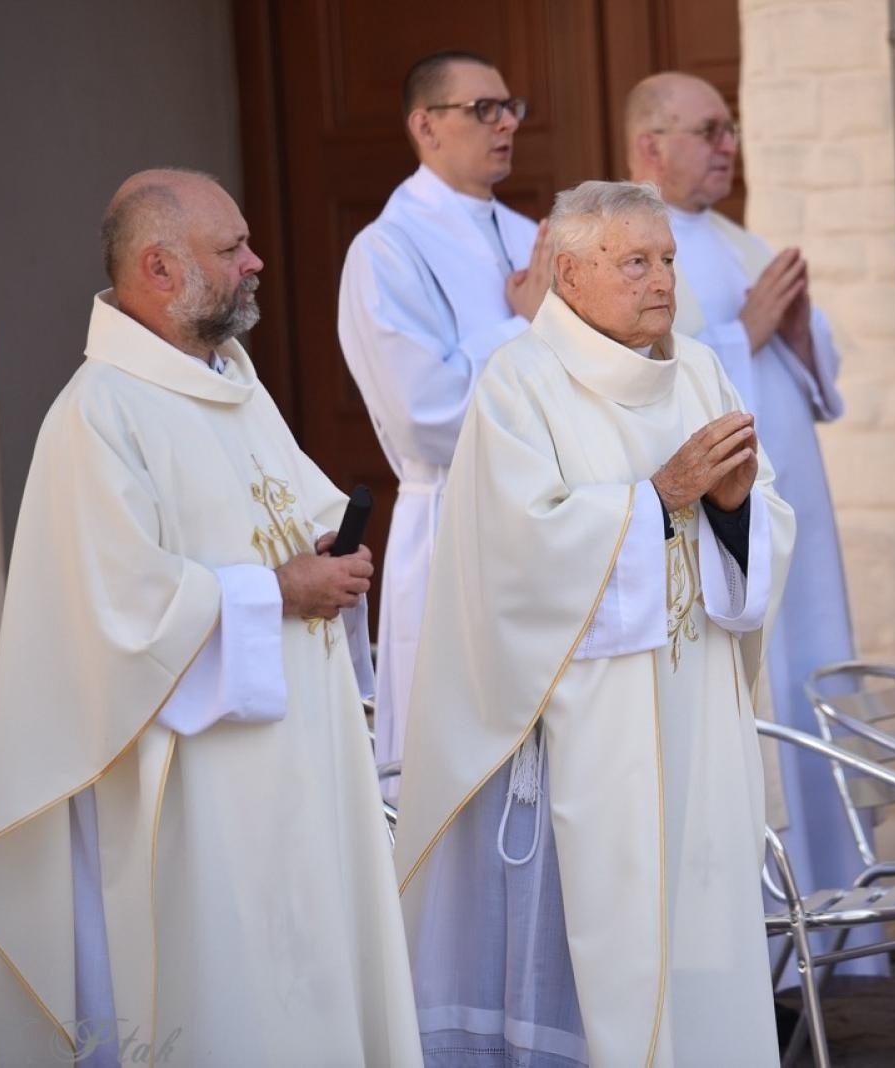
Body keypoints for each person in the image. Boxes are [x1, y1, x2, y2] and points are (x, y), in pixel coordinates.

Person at [0, 169, 422, 1067]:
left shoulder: (233, 386)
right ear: (160, 269)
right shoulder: (98, 417)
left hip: (301, 762)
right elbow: (120, 616)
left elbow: (280, 512)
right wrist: (280, 592)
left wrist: (329, 549)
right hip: (196, 793)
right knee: (231, 998)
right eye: (231, 249)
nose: (257, 262)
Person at [393, 180, 794, 1067]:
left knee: (705, 939)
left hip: (697, 709)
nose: (662, 282)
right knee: (609, 953)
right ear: (568, 274)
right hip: (592, 724)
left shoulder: (697, 368)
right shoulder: (519, 384)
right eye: (635, 262)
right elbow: (518, 554)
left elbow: (765, 513)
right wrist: (661, 497)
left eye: (668, 260)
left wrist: (732, 510)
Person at [625, 72, 864, 941]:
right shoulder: (630, 245)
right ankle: (759, 937)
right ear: (650, 145)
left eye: (730, 128)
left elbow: (817, 380)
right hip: (714, 535)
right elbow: (642, 378)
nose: (729, 144)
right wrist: (746, 332)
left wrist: (795, 335)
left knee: (802, 683)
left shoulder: (734, 237)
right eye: (708, 129)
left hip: (791, 518)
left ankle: (832, 929)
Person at [339, 50, 552, 794]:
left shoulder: (536, 238)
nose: (507, 124)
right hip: (452, 525)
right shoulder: (386, 252)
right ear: (424, 126)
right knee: (464, 781)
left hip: (551, 531)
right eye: (483, 109)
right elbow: (424, 413)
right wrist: (518, 325)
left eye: (512, 107)